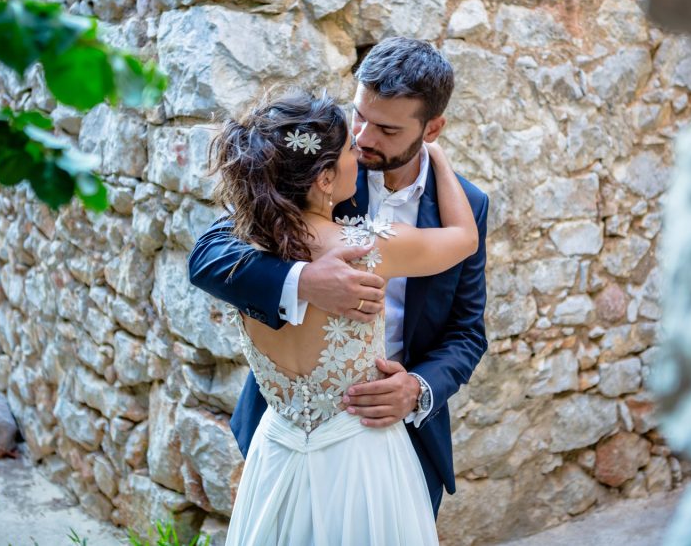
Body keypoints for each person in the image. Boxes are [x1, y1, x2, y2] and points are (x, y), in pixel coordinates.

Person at [189, 37, 490, 517]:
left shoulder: (468, 206)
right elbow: (209, 255)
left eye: (387, 129)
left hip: (398, 442)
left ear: (432, 128)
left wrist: (417, 388)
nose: (365, 137)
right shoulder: (313, 169)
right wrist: (303, 281)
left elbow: (466, 332)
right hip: (290, 429)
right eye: (360, 116)